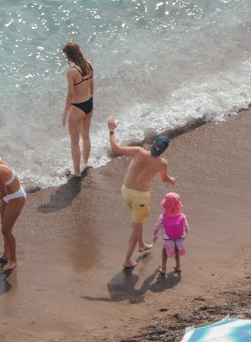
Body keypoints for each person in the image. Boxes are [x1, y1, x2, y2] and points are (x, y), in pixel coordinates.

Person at [106, 121, 172, 271]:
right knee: (135, 228)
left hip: (126, 191)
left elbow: (115, 147)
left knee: (138, 222)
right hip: (140, 198)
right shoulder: (162, 163)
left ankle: (141, 245)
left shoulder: (138, 151)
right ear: (163, 150)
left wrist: (111, 130)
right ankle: (127, 260)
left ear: (153, 143)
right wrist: (171, 180)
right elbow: (164, 179)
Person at [60, 43, 95, 174]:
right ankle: (85, 164)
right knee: (85, 136)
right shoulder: (88, 64)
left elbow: (71, 94)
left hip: (77, 107)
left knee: (74, 141)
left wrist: (65, 112)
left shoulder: (72, 71)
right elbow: (92, 87)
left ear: (69, 55)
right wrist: (90, 102)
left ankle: (77, 172)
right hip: (89, 103)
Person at [153, 187, 188, 274]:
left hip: (168, 237)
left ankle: (164, 268)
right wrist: (186, 233)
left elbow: (157, 227)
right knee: (176, 249)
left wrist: (155, 235)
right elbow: (186, 226)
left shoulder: (163, 217)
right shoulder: (182, 216)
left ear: (165, 204)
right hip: (180, 236)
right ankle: (178, 266)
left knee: (164, 250)